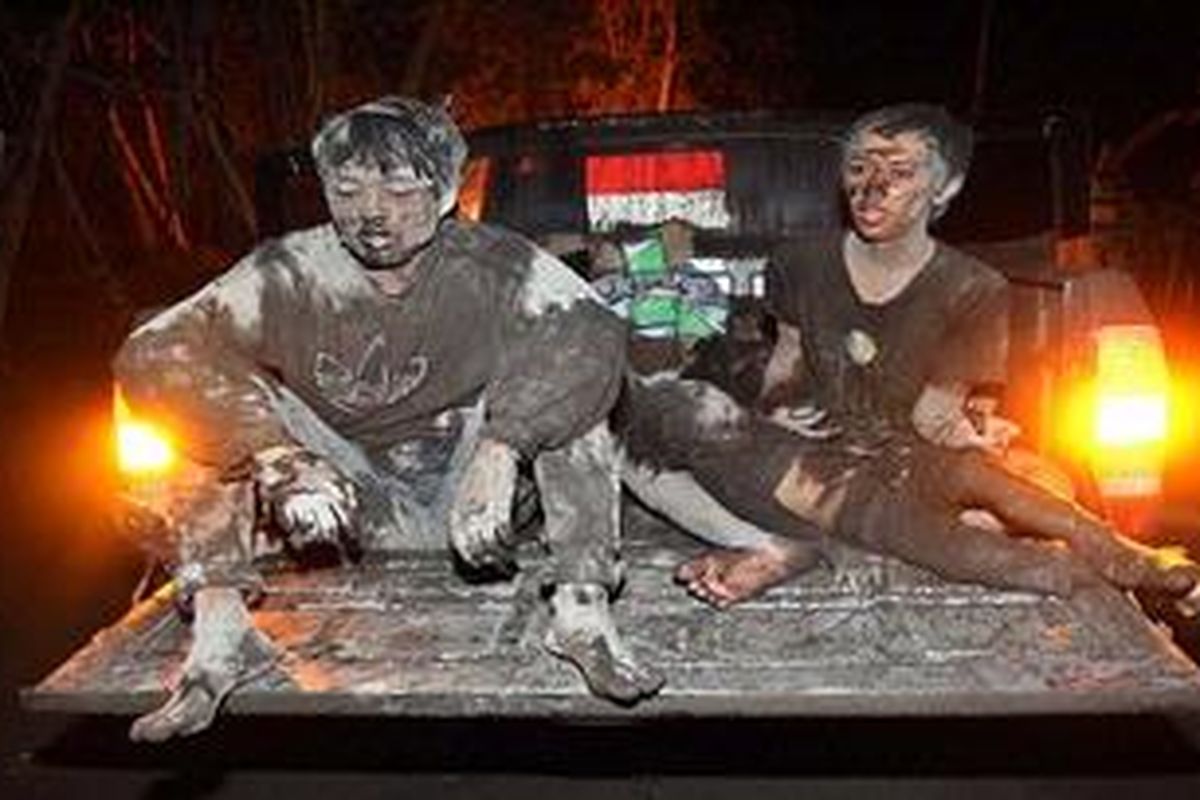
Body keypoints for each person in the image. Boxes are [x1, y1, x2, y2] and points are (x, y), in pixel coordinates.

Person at [114, 97, 662, 742]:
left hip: (472, 502)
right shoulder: (286, 270)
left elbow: (591, 333)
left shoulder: (498, 265)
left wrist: (503, 445)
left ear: (446, 191)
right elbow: (156, 349)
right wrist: (276, 454)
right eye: (347, 189)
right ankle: (222, 631)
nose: (371, 211)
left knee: (576, 404)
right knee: (199, 422)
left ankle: (580, 613)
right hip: (353, 503)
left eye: (399, 187)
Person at [674, 104, 1028, 606]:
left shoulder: (976, 288)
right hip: (813, 453)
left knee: (1016, 495)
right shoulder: (798, 261)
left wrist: (976, 443)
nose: (871, 190)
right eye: (859, 169)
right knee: (690, 437)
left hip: (900, 460)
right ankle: (818, 538)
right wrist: (771, 425)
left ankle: (799, 548)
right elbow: (786, 365)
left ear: (945, 187)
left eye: (900, 172)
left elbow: (936, 417)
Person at [620, 375, 1200, 614]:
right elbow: (796, 528)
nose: (714, 405)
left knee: (990, 498)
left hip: (875, 481)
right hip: (875, 496)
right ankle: (1109, 564)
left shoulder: (746, 425)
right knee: (989, 535)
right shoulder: (724, 468)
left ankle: (1118, 556)